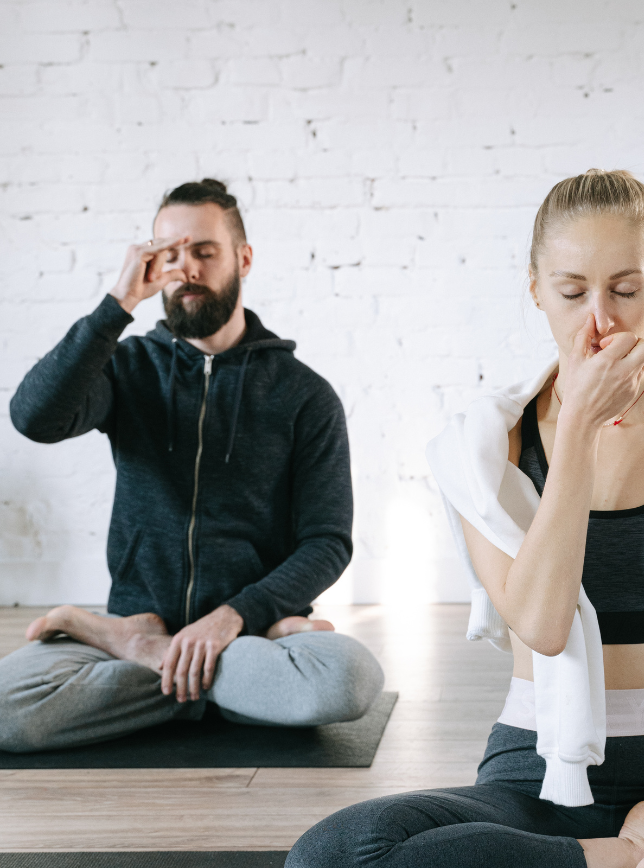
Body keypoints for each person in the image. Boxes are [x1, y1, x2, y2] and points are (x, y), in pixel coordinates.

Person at [287, 171, 644, 867]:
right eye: (572, 292)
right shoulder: (486, 447)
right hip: (539, 780)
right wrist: (578, 434)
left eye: (625, 291)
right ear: (536, 288)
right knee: (338, 852)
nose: (600, 320)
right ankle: (628, 851)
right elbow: (540, 623)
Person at [0, 179, 384, 752]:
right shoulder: (127, 369)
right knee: (7, 710)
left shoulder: (305, 395)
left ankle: (150, 659)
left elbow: (327, 542)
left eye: (204, 252)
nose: (186, 269)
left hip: (249, 626)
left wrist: (237, 617)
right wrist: (116, 306)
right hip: (168, 626)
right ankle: (176, 660)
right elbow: (34, 418)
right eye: (169, 253)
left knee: (349, 679)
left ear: (242, 259)